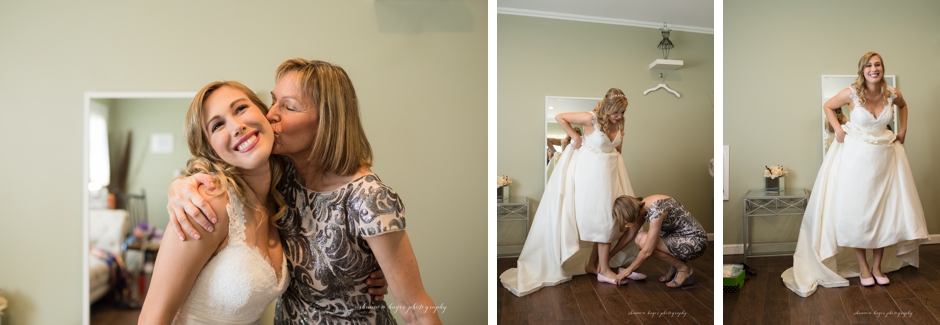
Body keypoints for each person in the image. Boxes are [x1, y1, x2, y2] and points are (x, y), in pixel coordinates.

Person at [168, 59, 441, 324]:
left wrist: (378, 267)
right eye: (274, 101)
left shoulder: (368, 198)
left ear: (326, 122)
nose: (271, 113)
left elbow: (416, 309)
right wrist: (178, 187)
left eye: (288, 107)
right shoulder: (280, 178)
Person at [140, 81, 290, 323]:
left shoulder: (283, 198)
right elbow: (152, 319)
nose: (237, 126)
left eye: (240, 108)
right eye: (218, 125)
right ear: (209, 148)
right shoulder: (207, 203)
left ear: (264, 112)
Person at [781, 52, 928, 297]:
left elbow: (903, 106)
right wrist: (838, 130)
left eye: (877, 65)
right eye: (869, 65)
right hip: (856, 159)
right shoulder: (852, 93)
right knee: (860, 213)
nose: (874, 69)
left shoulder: (891, 93)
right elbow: (828, 106)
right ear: (862, 70)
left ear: (882, 68)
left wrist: (903, 131)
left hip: (886, 158)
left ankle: (878, 267)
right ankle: (863, 268)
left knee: (884, 212)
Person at [500, 88, 638, 297]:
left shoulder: (618, 125)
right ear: (607, 107)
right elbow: (560, 117)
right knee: (604, 222)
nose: (619, 116)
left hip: (610, 178)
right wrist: (575, 137)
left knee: (610, 220)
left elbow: (617, 152)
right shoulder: (590, 119)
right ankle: (605, 270)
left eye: (623, 112)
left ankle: (593, 265)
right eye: (616, 112)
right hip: (591, 177)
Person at [611, 195, 708, 288]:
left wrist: (628, 270)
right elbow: (629, 235)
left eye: (624, 218)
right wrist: (610, 255)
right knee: (640, 237)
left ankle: (683, 269)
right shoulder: (643, 205)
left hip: (696, 242)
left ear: (629, 212)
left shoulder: (656, 210)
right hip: (679, 237)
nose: (625, 222)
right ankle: (677, 265)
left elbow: (648, 251)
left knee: (644, 241)